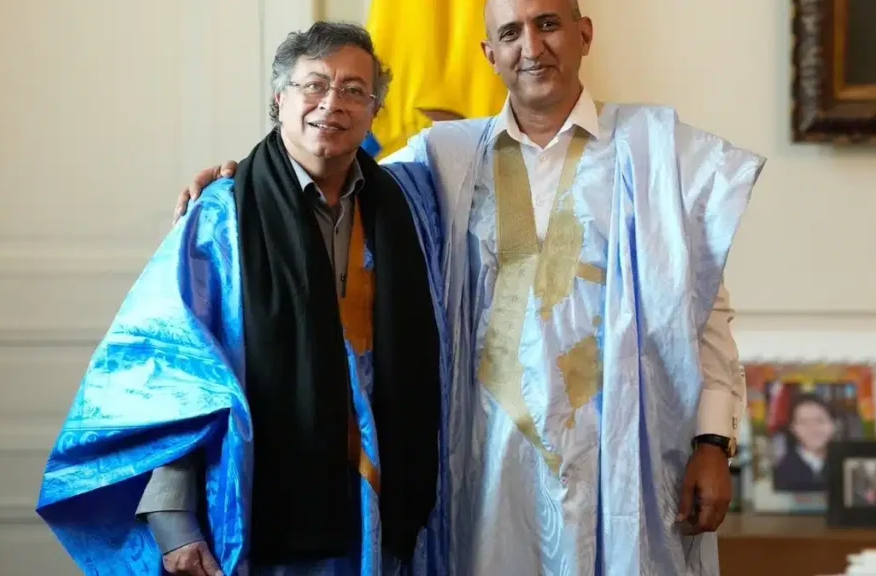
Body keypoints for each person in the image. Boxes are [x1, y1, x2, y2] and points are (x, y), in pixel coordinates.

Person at [175, 0, 766, 573]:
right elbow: (329, 172)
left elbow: (704, 309)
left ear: (584, 34)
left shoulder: (657, 151)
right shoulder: (443, 156)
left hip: (624, 456)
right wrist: (243, 179)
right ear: (489, 53)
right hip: (484, 468)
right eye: (510, 33)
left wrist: (712, 440)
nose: (531, 47)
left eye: (548, 24)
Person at [35, 23, 450, 576]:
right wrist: (175, 525)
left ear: (375, 111)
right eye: (314, 85)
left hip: (375, 510)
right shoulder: (222, 216)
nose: (332, 103)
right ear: (279, 100)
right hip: (257, 509)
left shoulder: (408, 206)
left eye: (355, 90)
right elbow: (172, 375)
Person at [773, 394, 836, 493]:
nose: (813, 429)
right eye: (804, 422)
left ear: (833, 425)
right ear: (793, 429)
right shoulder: (782, 473)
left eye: (820, 421)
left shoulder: (846, 466)